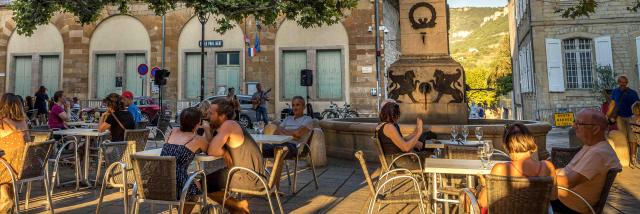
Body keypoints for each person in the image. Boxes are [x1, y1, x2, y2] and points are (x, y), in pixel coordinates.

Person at [473, 123, 556, 212]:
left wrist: (484, 184)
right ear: (530, 140)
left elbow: (483, 203)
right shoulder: (547, 166)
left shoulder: (500, 169)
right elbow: (554, 196)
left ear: (506, 146)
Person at [553, 109, 622, 214]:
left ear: (595, 129)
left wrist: (542, 176)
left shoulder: (598, 154)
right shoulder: (592, 146)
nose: (573, 126)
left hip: (570, 206)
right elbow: (567, 171)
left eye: (579, 123)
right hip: (565, 198)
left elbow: (568, 182)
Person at [202, 98, 260, 213]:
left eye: (211, 113)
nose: (207, 116)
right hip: (247, 173)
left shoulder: (229, 125)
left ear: (222, 116)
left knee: (200, 183)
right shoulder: (228, 125)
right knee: (205, 181)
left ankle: (238, 207)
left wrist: (223, 152)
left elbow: (211, 151)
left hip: (248, 177)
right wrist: (208, 129)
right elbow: (210, 146)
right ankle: (237, 208)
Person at [160, 107, 209, 213]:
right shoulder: (197, 139)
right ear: (198, 123)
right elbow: (210, 149)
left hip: (158, 181)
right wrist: (207, 129)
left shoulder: (172, 131)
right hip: (178, 184)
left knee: (192, 183)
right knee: (197, 187)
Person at [0, 93, 31, 212]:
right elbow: (28, 142)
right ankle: (6, 201)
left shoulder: (2, 123)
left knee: (4, 168)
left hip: (9, 167)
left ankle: (5, 200)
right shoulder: (23, 122)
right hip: (25, 167)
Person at [376, 99, 425, 169]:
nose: (398, 116)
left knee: (425, 154)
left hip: (394, 160)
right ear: (392, 113)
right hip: (397, 163)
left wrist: (416, 131)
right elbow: (405, 147)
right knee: (430, 160)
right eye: (397, 113)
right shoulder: (389, 127)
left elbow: (400, 140)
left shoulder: (381, 125)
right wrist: (419, 132)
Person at [608, 75, 639, 143]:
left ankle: (633, 154)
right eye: (621, 82)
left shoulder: (633, 93)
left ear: (627, 83)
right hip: (619, 117)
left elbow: (637, 105)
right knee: (623, 136)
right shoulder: (615, 91)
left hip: (631, 117)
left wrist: (637, 117)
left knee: (632, 137)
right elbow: (612, 104)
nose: (623, 84)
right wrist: (608, 115)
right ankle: (626, 152)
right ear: (618, 82)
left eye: (625, 82)